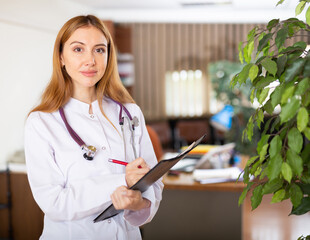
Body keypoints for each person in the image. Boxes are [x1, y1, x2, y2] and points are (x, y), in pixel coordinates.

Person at [24, 15, 163, 240]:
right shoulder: (41, 122)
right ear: (61, 57)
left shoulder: (130, 113)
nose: (90, 60)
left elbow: (153, 185)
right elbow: (54, 203)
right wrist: (121, 181)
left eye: (99, 50)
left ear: (108, 56)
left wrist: (140, 204)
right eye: (78, 49)